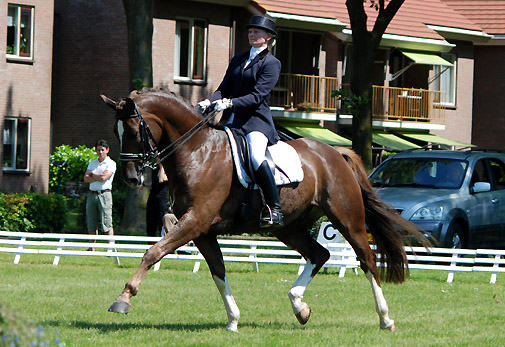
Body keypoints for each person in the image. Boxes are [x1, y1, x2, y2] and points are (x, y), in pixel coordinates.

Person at [197, 15, 283, 227]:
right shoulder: (238, 59)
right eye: (250, 31)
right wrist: (208, 101)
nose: (252, 34)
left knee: (255, 157)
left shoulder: (272, 63)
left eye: (257, 31)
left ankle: (274, 208)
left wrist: (230, 104)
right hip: (231, 122)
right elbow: (224, 88)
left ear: (268, 37)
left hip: (255, 122)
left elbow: (257, 96)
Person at [84, 139, 116, 250]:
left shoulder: (111, 163)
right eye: (98, 150)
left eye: (102, 150)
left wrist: (92, 174)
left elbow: (104, 178)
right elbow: (86, 178)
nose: (100, 152)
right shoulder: (92, 163)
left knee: (106, 222)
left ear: (107, 150)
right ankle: (91, 247)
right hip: (92, 194)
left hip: (104, 195)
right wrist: (97, 176)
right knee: (91, 221)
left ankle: (110, 247)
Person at [146, 165, 174, 237]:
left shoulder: (166, 170)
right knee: (150, 221)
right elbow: (154, 183)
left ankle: (161, 238)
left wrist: (162, 166)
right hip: (152, 197)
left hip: (162, 198)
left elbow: (161, 179)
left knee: (161, 221)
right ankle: (150, 243)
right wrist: (144, 185)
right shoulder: (155, 169)